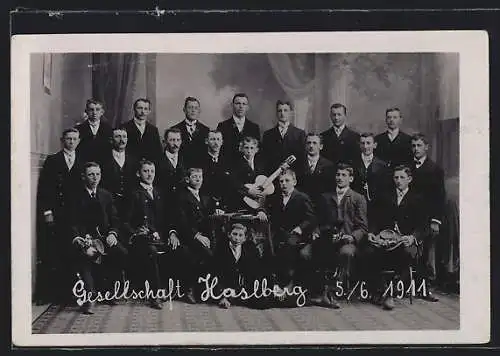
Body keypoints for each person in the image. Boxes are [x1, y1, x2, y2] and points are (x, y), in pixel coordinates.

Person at [361, 165, 430, 310]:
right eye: (396, 178)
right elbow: (375, 219)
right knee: (369, 252)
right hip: (387, 239)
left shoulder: (418, 199)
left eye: (402, 178)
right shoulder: (385, 196)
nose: (398, 181)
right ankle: (381, 290)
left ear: (409, 179)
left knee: (405, 253)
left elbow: (423, 225)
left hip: (406, 240)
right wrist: (372, 233)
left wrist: (413, 237)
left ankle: (390, 292)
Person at [69, 162, 128, 314]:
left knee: (121, 252)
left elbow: (115, 218)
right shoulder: (76, 196)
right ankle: (90, 297)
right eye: (91, 174)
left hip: (104, 238)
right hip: (85, 239)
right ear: (84, 176)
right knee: (86, 257)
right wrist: (80, 241)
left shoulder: (106, 195)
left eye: (97, 174)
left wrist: (113, 233)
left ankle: (109, 292)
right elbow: (72, 222)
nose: (95, 178)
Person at [124, 160, 183, 309]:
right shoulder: (134, 193)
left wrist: (172, 233)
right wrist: (136, 232)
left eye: (152, 171)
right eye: (145, 171)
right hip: (142, 238)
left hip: (161, 236)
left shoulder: (159, 192)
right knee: (151, 252)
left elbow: (167, 218)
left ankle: (177, 289)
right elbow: (125, 221)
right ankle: (155, 294)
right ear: (138, 173)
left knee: (180, 249)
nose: (149, 174)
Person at [36, 128, 84, 303]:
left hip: (74, 215)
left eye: (74, 139)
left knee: (71, 253)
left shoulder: (82, 161)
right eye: (68, 139)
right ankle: (48, 294)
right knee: (52, 252)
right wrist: (47, 213)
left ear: (79, 141)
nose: (71, 142)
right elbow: (44, 190)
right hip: (56, 213)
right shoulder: (53, 160)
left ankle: (70, 294)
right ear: (62, 140)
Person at [313, 163, 368, 309]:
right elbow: (319, 221)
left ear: (351, 179)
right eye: (338, 174)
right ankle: (317, 290)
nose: (340, 178)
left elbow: (363, 227)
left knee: (346, 253)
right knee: (307, 253)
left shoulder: (358, 198)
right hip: (328, 238)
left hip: (347, 240)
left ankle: (335, 291)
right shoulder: (326, 197)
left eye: (344, 175)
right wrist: (317, 232)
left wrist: (352, 237)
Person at [257, 169, 316, 296]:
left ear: (294, 182)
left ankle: (288, 282)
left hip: (297, 234)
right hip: (280, 233)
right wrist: (261, 210)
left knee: (288, 247)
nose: (283, 183)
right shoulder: (275, 197)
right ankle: (273, 283)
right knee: (269, 248)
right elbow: (265, 206)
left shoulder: (302, 197)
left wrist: (300, 228)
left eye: (287, 180)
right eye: (281, 181)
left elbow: (310, 218)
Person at [175, 168, 224, 303]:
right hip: (188, 236)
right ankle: (190, 289)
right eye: (194, 177)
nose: (198, 179)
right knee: (207, 255)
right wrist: (196, 235)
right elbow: (181, 221)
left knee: (219, 252)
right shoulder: (181, 196)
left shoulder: (205, 197)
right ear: (187, 179)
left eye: (200, 177)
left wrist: (216, 211)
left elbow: (208, 215)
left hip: (206, 236)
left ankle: (210, 290)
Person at [410, 133, 446, 292]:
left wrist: (435, 220)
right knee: (414, 250)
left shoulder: (435, 169)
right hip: (412, 215)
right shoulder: (407, 166)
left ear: (426, 147)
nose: (416, 149)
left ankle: (427, 286)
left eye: (419, 146)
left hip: (428, 216)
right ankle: (412, 284)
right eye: (413, 146)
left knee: (428, 252)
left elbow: (439, 197)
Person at [214, 223, 264, 309]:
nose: (237, 238)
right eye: (234, 234)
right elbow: (216, 274)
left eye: (241, 235)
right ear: (229, 235)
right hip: (226, 288)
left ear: (245, 238)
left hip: (242, 289)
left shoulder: (249, 249)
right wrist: (222, 297)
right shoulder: (221, 249)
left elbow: (255, 271)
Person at [100, 128, 139, 219]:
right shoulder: (103, 159)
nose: (122, 140)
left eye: (124, 137)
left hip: (130, 202)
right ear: (111, 140)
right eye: (118, 137)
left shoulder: (134, 159)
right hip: (109, 202)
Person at [351, 132, 391, 219]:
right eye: (363, 143)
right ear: (359, 145)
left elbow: (385, 188)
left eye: (368, 143)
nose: (365, 147)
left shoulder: (382, 165)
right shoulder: (353, 163)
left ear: (375, 145)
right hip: (356, 205)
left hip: (376, 206)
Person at [261, 100, 305, 175]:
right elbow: (265, 158)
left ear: (291, 113)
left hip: (293, 175)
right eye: (279, 111)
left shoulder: (299, 134)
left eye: (285, 110)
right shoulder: (267, 135)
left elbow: (302, 157)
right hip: (273, 174)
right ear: (276, 113)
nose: (282, 113)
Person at [191, 129, 232, 209]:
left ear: (222, 142)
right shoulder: (198, 161)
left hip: (226, 204)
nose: (216, 143)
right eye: (212, 139)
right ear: (206, 141)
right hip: (205, 204)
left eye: (218, 139)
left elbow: (230, 185)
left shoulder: (228, 162)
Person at [217, 93, 261, 163]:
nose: (241, 106)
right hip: (229, 166)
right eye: (238, 103)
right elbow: (219, 150)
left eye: (244, 104)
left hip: (248, 168)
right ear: (232, 105)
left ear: (247, 107)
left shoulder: (254, 127)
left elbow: (258, 152)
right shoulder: (223, 126)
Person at [295, 133, 335, 210]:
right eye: (309, 143)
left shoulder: (329, 165)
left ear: (321, 146)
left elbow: (330, 189)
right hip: (302, 205)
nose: (311, 146)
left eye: (314, 143)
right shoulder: (298, 164)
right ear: (305, 145)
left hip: (321, 206)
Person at [229, 136, 268, 211]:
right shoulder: (235, 164)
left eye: (252, 148)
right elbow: (234, 183)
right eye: (246, 148)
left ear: (257, 150)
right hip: (242, 201)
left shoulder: (261, 164)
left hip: (259, 200)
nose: (249, 151)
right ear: (241, 149)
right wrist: (248, 191)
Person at [121, 98, 163, 165]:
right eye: (140, 108)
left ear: (149, 111)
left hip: (148, 169)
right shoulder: (125, 127)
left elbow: (158, 152)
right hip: (130, 167)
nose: (143, 111)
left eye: (146, 109)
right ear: (134, 109)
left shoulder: (153, 130)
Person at [170, 97, 210, 164]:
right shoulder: (175, 129)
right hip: (181, 168)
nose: (193, 110)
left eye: (196, 108)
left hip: (200, 169)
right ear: (184, 110)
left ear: (199, 111)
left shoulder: (205, 130)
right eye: (190, 107)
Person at [155, 127, 187, 211]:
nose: (175, 143)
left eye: (178, 140)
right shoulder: (157, 161)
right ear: (165, 141)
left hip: (183, 206)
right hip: (164, 204)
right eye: (172, 140)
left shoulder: (186, 160)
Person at [75, 99, 113, 163]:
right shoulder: (78, 129)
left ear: (102, 112)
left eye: (97, 110)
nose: (94, 113)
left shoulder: (108, 129)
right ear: (86, 111)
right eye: (91, 110)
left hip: (103, 165)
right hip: (84, 164)